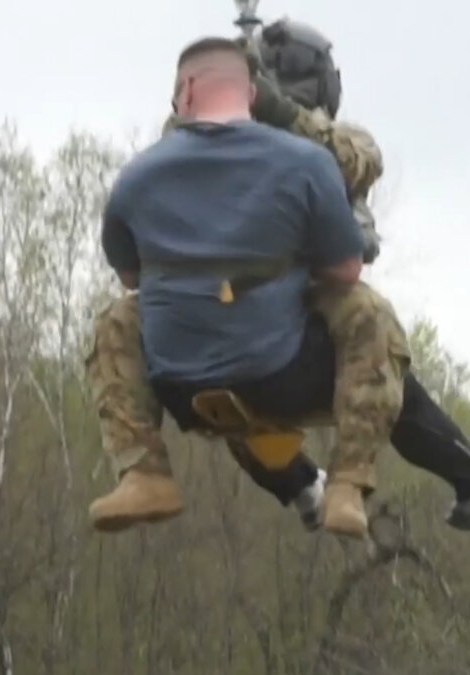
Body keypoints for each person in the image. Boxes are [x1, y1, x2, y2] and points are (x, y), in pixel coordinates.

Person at [99, 27, 470, 533]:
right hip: (264, 337)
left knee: (267, 362)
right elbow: (346, 256)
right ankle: (362, 484)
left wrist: (279, 117)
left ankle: (312, 487)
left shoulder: (315, 142)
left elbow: (359, 161)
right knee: (368, 337)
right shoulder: (238, 150)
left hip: (239, 337)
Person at [85, 35, 411, 539]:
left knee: (116, 319)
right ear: (253, 94)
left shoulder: (138, 175)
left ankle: (143, 471)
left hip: (178, 372)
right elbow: (347, 268)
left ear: (187, 90)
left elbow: (131, 277)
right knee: (367, 311)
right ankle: (349, 482)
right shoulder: (307, 160)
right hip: (274, 362)